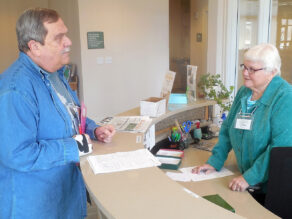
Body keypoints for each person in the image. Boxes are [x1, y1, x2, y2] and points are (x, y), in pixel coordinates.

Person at [0, 8, 115, 218]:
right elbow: (17, 155)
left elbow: (72, 115)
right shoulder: (15, 90)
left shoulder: (55, 74)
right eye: (59, 37)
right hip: (35, 207)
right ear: (34, 47)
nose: (69, 42)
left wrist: (94, 129)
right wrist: (76, 146)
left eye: (66, 34)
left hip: (66, 199)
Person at [192, 43, 292, 204]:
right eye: (244, 67)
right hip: (245, 180)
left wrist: (250, 177)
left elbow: (279, 148)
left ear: (272, 72)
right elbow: (227, 128)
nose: (245, 73)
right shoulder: (245, 91)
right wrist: (215, 161)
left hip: (272, 186)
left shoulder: (286, 97)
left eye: (252, 69)